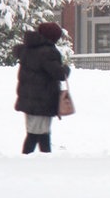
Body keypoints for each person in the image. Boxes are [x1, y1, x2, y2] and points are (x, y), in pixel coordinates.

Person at [13, 22, 70, 154]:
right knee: (36, 135)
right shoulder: (47, 52)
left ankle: (44, 160)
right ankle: (27, 160)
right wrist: (65, 69)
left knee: (39, 133)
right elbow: (59, 73)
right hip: (42, 100)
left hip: (30, 99)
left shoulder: (28, 49)